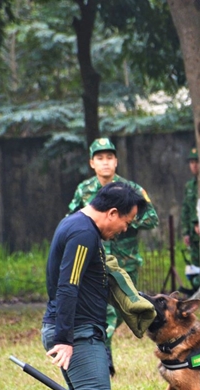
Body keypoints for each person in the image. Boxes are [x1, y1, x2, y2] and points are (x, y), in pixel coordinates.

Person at [42, 182, 147, 390]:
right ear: (112, 212)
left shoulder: (75, 224)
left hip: (75, 327)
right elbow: (68, 285)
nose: (125, 229)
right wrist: (64, 337)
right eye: (126, 221)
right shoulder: (83, 234)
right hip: (77, 331)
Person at [68, 138, 159, 367]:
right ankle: (103, 359)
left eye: (109, 158)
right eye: (100, 158)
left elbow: (151, 218)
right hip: (94, 260)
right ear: (92, 163)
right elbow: (72, 216)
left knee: (122, 311)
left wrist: (126, 222)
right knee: (105, 311)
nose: (105, 163)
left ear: (116, 161)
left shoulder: (131, 190)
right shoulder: (84, 189)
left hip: (124, 262)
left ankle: (101, 351)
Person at [180, 146, 200, 292]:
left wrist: (199, 223)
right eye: (191, 162)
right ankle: (197, 289)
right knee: (194, 263)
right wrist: (186, 231)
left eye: (197, 161)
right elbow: (186, 209)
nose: (194, 165)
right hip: (193, 235)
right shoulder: (189, 186)